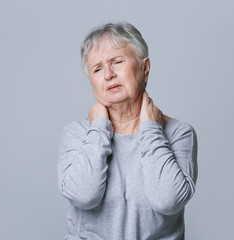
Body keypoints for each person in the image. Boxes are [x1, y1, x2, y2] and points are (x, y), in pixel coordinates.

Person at [58, 22, 198, 240]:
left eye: (117, 62)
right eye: (97, 68)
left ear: (145, 67)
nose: (108, 75)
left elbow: (168, 201)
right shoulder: (77, 133)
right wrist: (98, 129)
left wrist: (151, 129)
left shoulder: (179, 133)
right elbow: (84, 196)